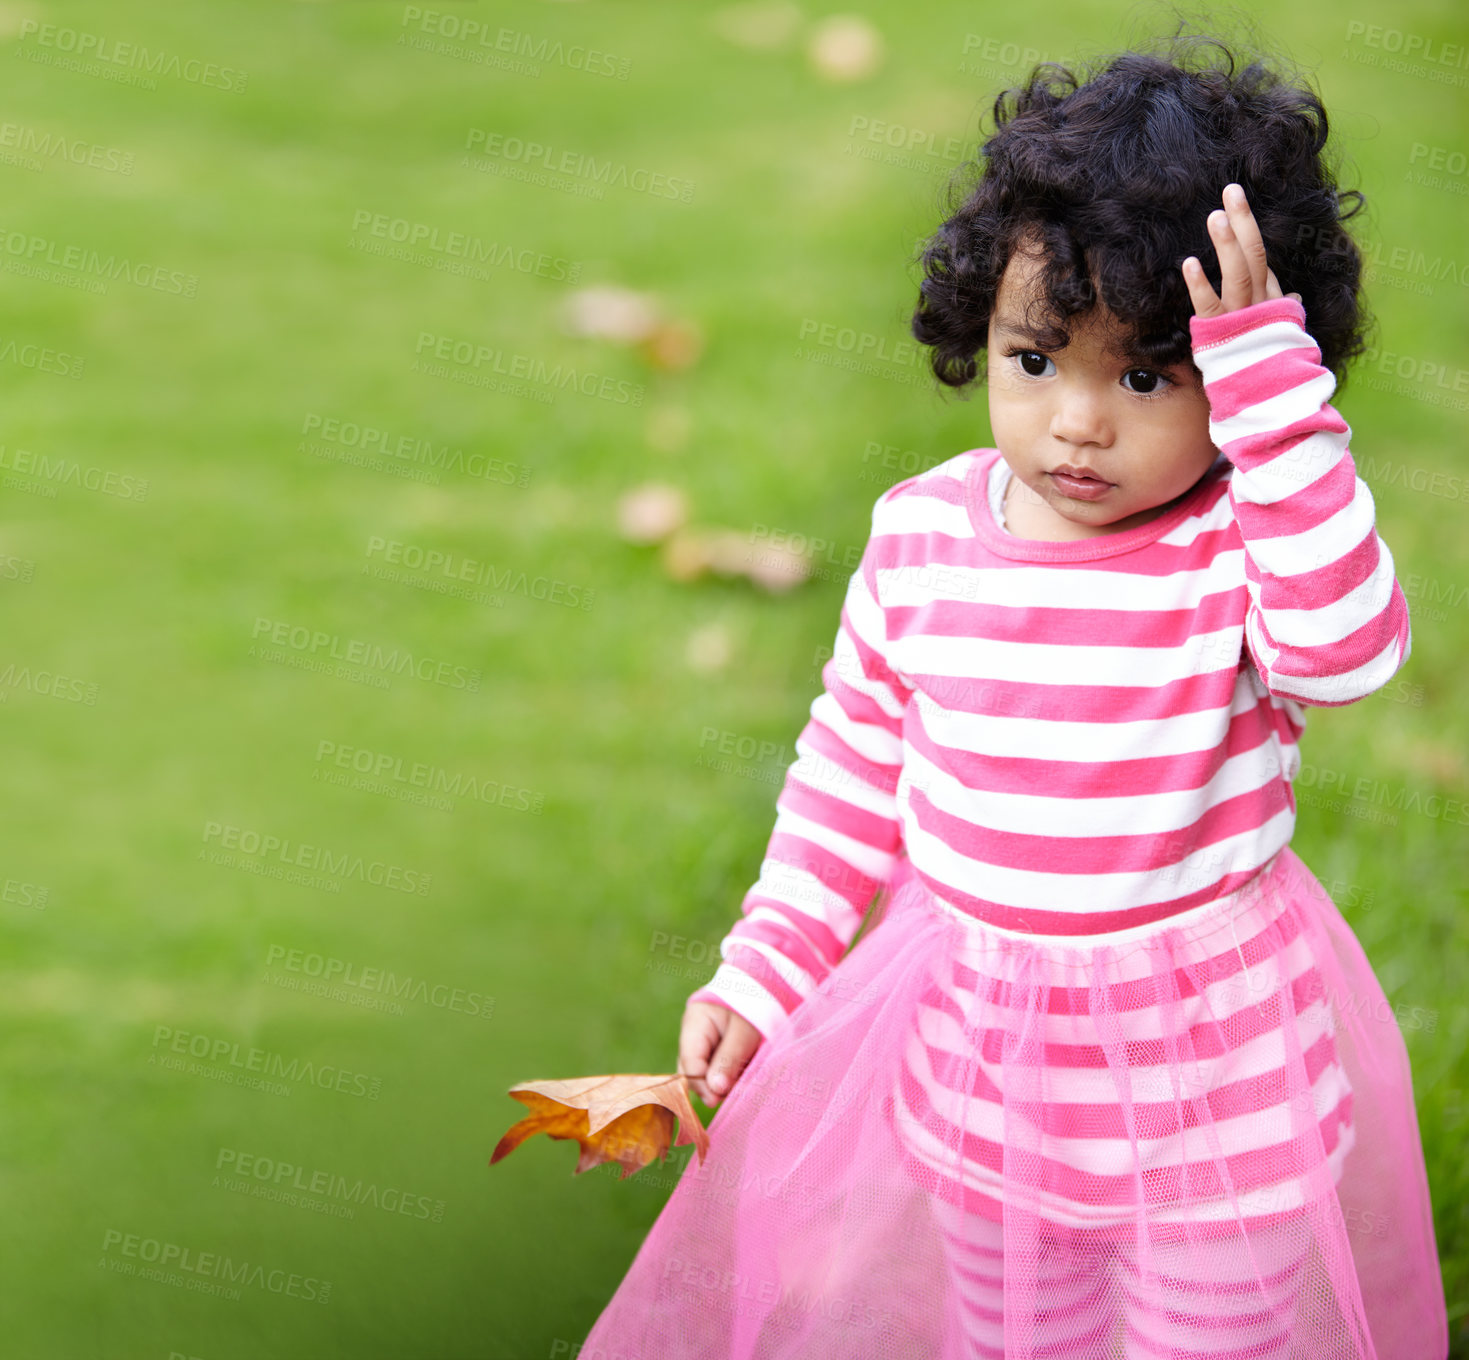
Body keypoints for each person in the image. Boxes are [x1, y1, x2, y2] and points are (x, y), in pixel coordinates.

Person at [580, 23, 1449, 1360]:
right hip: (984, 1082)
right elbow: (852, 770)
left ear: (1238, 378)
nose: (1077, 424)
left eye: (1148, 377)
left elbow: (1347, 654)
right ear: (976, 328)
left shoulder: (1245, 542)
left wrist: (1275, 405)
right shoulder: (924, 534)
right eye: (1034, 362)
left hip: (1208, 1094)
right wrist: (763, 971)